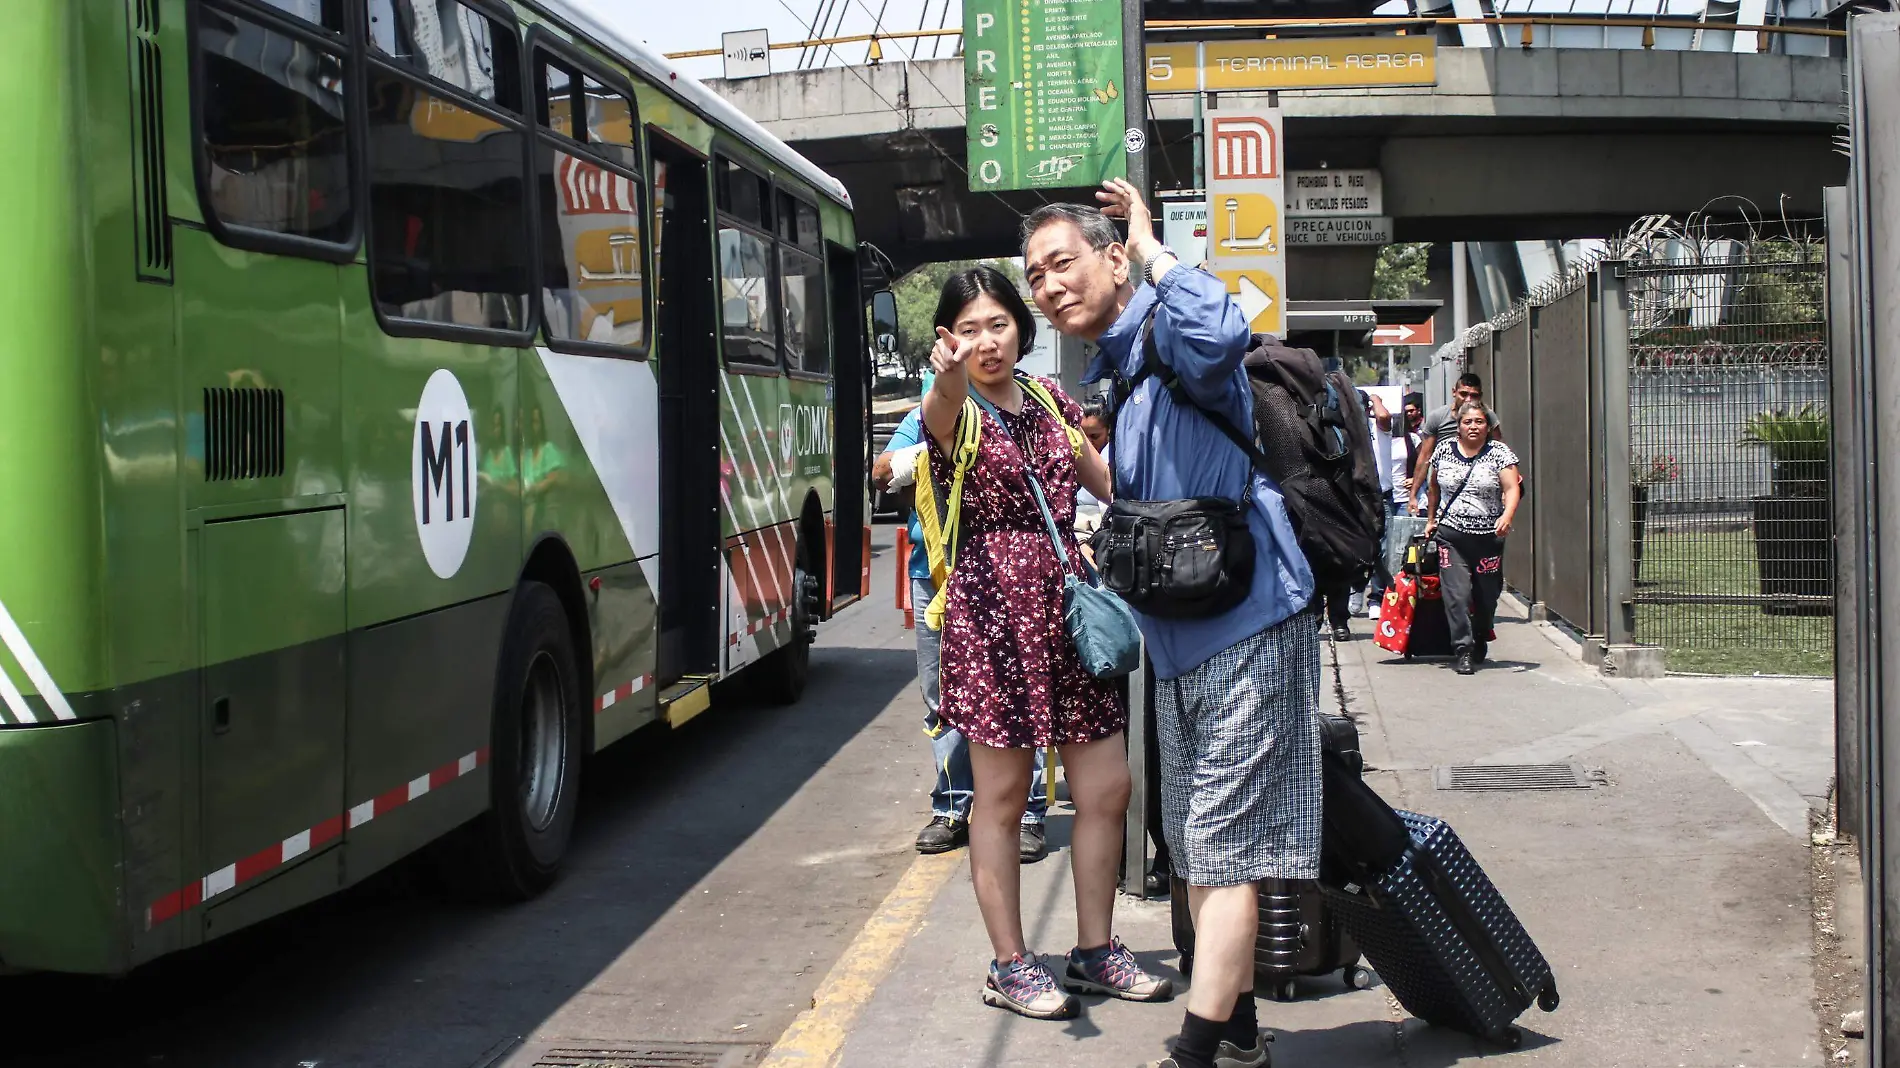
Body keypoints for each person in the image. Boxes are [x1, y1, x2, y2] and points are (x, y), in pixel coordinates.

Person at [1023, 182, 1317, 1068]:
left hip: (1251, 624)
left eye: (1063, 263)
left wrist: (1152, 245)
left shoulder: (1172, 331)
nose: (1048, 287)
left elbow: (1225, 331)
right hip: (1181, 639)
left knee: (1222, 851)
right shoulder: (1114, 361)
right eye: (1035, 276)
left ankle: (1195, 1054)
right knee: (1196, 845)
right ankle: (1237, 1037)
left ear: (1112, 260)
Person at [919, 264, 1172, 1021]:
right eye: (968, 329)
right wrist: (947, 378)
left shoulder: (1048, 398)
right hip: (992, 613)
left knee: (1107, 788)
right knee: (998, 800)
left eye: (997, 324)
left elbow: (1106, 482)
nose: (986, 341)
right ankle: (1011, 964)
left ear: (1021, 330)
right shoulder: (951, 407)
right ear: (949, 340)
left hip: (1066, 607)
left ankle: (1095, 950)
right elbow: (941, 409)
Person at [872, 413, 1052, 863]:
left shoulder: (1018, 413)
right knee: (941, 697)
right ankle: (952, 807)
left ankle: (1028, 815)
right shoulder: (926, 417)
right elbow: (879, 472)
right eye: (967, 336)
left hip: (1005, 575)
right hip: (935, 575)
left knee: (1018, 695)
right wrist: (926, 453)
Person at [1423, 400, 1523, 675]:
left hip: (1488, 538)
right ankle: (1463, 649)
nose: (1473, 427)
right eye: (1468, 422)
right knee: (1456, 594)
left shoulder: (1499, 453)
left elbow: (1512, 487)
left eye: (1479, 422)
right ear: (1458, 427)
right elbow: (1433, 487)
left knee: (1487, 596)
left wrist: (1507, 515)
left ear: (1488, 426)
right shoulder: (1443, 450)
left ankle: (1481, 634)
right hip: (1451, 536)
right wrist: (1432, 519)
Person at [1408, 372, 1502, 513]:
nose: (1468, 400)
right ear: (1454, 392)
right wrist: (1413, 494)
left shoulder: (1487, 416)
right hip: (1445, 484)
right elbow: (1425, 457)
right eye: (1463, 394)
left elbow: (1499, 451)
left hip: (1479, 485)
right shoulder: (1438, 417)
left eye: (1474, 395)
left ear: (1480, 396)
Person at [1367, 392, 1425, 617]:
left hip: (1404, 498)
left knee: (1404, 548)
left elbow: (1423, 463)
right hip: (1383, 496)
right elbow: (1382, 417)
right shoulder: (1374, 435)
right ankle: (1377, 595)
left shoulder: (1411, 439)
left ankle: (1403, 594)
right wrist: (1375, 398)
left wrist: (1415, 480)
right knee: (1381, 548)